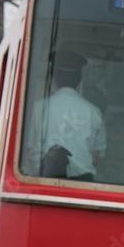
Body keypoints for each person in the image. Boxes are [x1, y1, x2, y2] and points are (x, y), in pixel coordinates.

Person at [25, 51, 106, 181]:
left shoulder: (38, 108)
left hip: (44, 182)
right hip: (82, 185)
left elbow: (30, 151)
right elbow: (96, 157)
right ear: (80, 80)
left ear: (53, 79)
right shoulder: (94, 112)